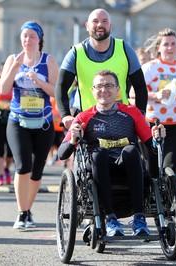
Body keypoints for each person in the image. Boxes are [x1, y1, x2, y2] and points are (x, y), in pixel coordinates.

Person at [58, 70, 165, 236]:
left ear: (117, 90)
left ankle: (139, 217)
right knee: (98, 153)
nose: (104, 90)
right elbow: (62, 154)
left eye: (108, 85)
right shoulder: (83, 117)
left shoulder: (132, 112)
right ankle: (110, 218)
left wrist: (158, 138)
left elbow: (151, 146)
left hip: (128, 166)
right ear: (92, 90)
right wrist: (73, 140)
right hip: (98, 169)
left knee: (130, 150)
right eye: (99, 86)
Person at [0, 21, 59, 229]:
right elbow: (3, 89)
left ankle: (28, 209)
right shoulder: (12, 59)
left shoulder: (48, 60)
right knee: (23, 166)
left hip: (43, 123)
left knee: (37, 171)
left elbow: (56, 92)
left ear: (39, 39)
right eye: (24, 36)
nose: (27, 40)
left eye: (32, 36)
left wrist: (38, 81)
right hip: (17, 120)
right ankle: (21, 212)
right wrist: (15, 66)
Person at [55, 8, 148, 129]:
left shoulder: (125, 50)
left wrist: (140, 115)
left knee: (132, 149)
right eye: (95, 21)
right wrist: (65, 115)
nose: (100, 25)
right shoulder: (76, 53)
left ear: (110, 25)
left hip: (121, 120)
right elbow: (61, 87)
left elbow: (140, 86)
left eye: (104, 21)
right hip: (86, 122)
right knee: (64, 148)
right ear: (87, 26)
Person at [141, 28, 176, 179]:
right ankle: (151, 200)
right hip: (153, 124)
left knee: (170, 167)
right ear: (158, 48)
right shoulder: (150, 67)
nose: (170, 48)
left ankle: (168, 199)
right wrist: (156, 95)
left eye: (173, 44)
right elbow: (134, 94)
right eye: (166, 44)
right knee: (152, 170)